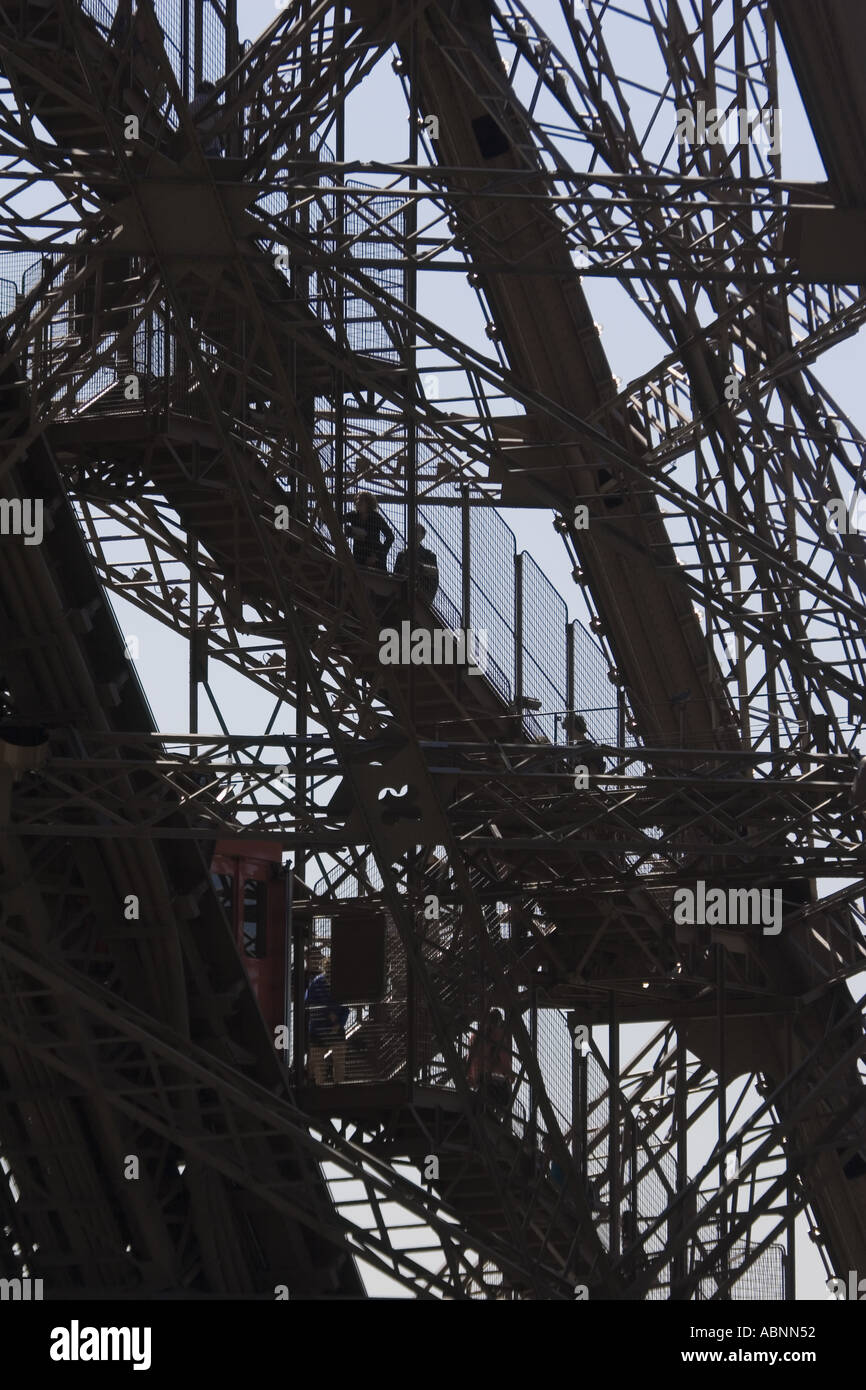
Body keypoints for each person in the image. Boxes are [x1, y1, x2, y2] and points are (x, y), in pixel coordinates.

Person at [305, 957, 349, 1085]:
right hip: (321, 1029)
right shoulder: (317, 983)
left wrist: (339, 1023)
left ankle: (330, 1087)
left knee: (332, 1063)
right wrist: (330, 1015)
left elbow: (345, 1009)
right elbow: (309, 1004)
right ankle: (325, 1087)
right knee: (323, 1064)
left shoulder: (317, 983)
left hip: (322, 1029)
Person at [467, 1007, 513, 1108]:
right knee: (507, 1093)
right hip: (489, 1079)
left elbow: (469, 1058)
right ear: (498, 1022)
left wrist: (470, 1077)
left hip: (477, 1077)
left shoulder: (474, 1036)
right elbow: (504, 1058)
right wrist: (510, 1075)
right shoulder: (497, 1035)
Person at [345, 491, 394, 571]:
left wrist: (377, 555)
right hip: (359, 557)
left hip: (374, 559)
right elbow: (338, 519)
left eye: (361, 500)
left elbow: (390, 537)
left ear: (368, 503)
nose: (357, 502)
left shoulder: (376, 517)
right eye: (357, 500)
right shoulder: (353, 515)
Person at [392, 524, 439, 602]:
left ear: (422, 536)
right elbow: (396, 575)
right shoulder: (402, 555)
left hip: (421, 593)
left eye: (416, 531)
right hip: (405, 593)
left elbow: (434, 580)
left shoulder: (429, 556)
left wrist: (428, 598)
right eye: (411, 531)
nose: (413, 533)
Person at [190, 80, 224, 157]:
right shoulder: (213, 104)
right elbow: (220, 120)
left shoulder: (191, 106)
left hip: (196, 143)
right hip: (211, 144)